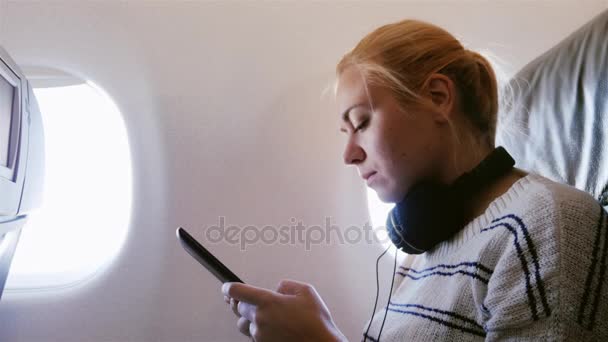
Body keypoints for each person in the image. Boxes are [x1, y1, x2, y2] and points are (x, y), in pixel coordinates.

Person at [221, 19, 608, 341]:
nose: (349, 154)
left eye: (362, 123)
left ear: (439, 97)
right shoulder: (420, 254)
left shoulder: (548, 224)